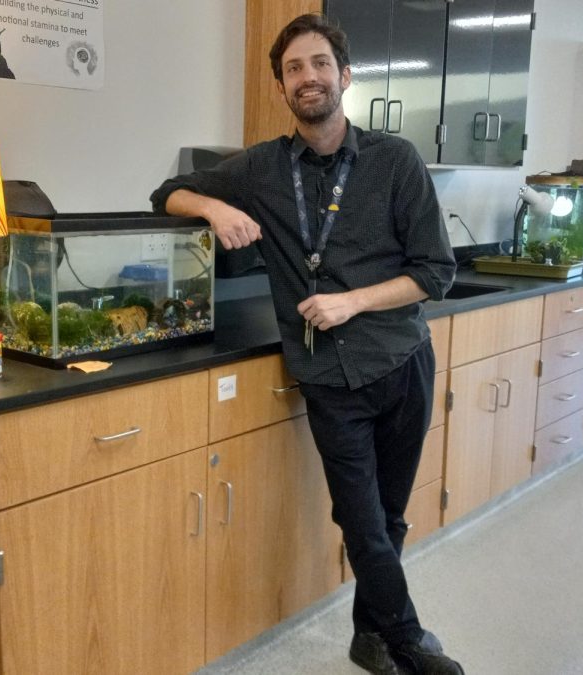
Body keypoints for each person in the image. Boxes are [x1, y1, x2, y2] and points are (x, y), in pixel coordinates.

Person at [151, 13, 460, 675]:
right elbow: (164, 193)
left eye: (319, 64)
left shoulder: (395, 160)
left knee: (391, 515)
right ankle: (408, 640)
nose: (307, 77)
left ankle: (367, 636)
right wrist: (213, 208)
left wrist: (353, 299)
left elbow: (436, 272)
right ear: (281, 88)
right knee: (362, 518)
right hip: (328, 375)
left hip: (403, 360)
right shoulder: (260, 169)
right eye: (294, 69)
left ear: (344, 77)